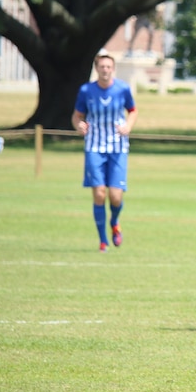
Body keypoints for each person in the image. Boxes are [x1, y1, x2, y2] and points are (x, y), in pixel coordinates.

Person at [72, 53, 138, 251]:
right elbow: (77, 116)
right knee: (99, 193)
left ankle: (114, 223)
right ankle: (103, 241)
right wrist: (79, 126)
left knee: (116, 196)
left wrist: (128, 126)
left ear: (113, 69)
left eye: (108, 67)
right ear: (97, 68)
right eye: (102, 66)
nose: (105, 70)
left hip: (118, 147)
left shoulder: (122, 89)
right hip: (94, 146)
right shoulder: (86, 90)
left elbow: (133, 111)